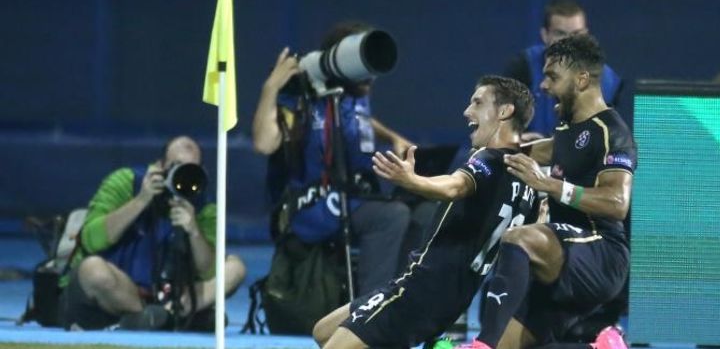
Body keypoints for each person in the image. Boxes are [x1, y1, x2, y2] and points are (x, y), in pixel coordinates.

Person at [312, 75, 540, 349]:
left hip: (419, 292)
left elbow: (456, 185)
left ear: (504, 112)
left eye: (478, 102)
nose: (467, 111)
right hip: (450, 297)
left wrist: (413, 181)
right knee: (323, 331)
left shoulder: (487, 158)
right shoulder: (528, 180)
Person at [461, 35, 636, 349]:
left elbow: (618, 203)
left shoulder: (613, 131)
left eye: (552, 76)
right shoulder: (569, 127)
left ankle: (481, 346)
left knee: (518, 238)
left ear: (582, 79)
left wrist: (549, 186)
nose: (542, 85)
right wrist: (495, 151)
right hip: (563, 255)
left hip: (601, 254)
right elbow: (544, 151)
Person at [252, 21, 420, 296]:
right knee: (390, 217)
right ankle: (368, 313)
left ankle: (404, 304)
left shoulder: (350, 96)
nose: (370, 77)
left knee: (421, 212)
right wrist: (271, 87)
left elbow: (359, 119)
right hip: (312, 206)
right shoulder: (303, 99)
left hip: (352, 198)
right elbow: (263, 143)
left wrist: (392, 137)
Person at [58, 136, 247, 331]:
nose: (182, 175)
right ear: (160, 165)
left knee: (235, 268)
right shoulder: (126, 182)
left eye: (191, 168)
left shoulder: (204, 207)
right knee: (92, 270)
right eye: (176, 166)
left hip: (170, 296)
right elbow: (91, 240)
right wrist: (141, 200)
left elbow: (209, 271)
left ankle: (166, 315)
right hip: (120, 290)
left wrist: (194, 231)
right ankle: (163, 318)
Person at [504, 0, 622, 139]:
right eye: (560, 34)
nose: (570, 42)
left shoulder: (607, 80)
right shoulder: (523, 67)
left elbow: (610, 135)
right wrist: (516, 138)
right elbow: (502, 124)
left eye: (577, 34)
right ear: (545, 35)